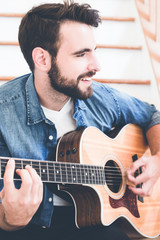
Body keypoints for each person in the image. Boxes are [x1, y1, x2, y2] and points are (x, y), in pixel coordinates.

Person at [0, 1, 160, 239]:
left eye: (94, 50)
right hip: (34, 225)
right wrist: (10, 220)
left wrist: (157, 160)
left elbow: (151, 115)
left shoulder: (102, 97)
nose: (96, 65)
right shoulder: (4, 112)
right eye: (81, 54)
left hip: (98, 220)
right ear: (42, 59)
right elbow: (6, 218)